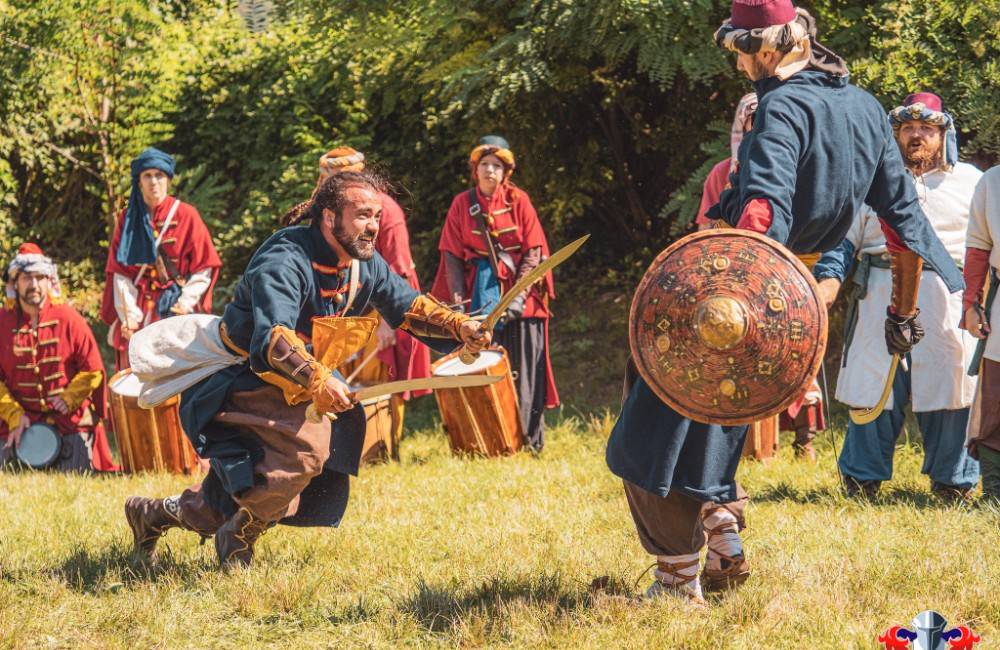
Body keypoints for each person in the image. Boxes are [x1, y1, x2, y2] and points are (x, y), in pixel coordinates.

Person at [608, 0, 962, 605]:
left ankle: (676, 580)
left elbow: (764, 207)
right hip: (788, 306)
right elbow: (904, 221)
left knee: (658, 415)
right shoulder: (867, 108)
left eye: (741, 51)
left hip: (743, 292)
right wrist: (902, 312)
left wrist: (733, 299)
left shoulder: (781, 105)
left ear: (766, 48)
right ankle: (722, 537)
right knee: (719, 419)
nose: (741, 66)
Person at [124, 170, 490, 568]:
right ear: (330, 218)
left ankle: (155, 513)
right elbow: (274, 338)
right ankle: (239, 536)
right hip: (239, 374)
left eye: (376, 216)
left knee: (245, 485)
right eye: (362, 216)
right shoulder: (284, 258)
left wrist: (461, 327)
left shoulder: (361, 263)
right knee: (308, 451)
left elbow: (408, 305)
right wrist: (318, 380)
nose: (372, 227)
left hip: (292, 374)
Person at [814, 92, 981, 501]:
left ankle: (952, 482)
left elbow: (986, 245)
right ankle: (861, 479)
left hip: (947, 298)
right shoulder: (871, 178)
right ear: (895, 135)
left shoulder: (972, 182)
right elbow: (841, 243)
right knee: (874, 388)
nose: (917, 136)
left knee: (951, 386)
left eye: (926, 128)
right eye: (908, 129)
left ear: (944, 134)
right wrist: (825, 286)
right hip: (877, 295)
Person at [697, 92, 825, 459]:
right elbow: (709, 229)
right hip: (733, 278)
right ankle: (741, 448)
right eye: (754, 122)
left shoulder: (801, 170)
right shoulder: (723, 173)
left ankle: (805, 439)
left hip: (785, 272)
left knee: (795, 353)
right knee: (738, 359)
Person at [431, 135, 559, 451]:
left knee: (525, 370)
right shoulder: (462, 204)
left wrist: (516, 299)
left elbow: (533, 252)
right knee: (484, 365)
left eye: (497, 166)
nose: (490, 170)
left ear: (506, 172)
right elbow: (452, 257)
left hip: (523, 299)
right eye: (485, 165)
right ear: (475, 170)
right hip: (479, 298)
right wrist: (460, 307)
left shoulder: (520, 200)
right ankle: (491, 441)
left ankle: (529, 441)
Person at [294, 148, 433, 420]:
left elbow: (398, 268)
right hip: (341, 305)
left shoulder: (385, 210)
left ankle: (384, 446)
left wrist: (386, 323)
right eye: (329, 179)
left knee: (380, 379)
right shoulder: (326, 210)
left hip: (378, 306)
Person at [101, 148, 222, 370]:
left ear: (168, 179)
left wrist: (185, 304)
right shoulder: (127, 219)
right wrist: (129, 316)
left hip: (175, 304)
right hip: (137, 305)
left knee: (179, 375)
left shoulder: (187, 215)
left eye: (159, 175)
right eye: (147, 176)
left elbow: (204, 266)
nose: (153, 182)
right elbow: (120, 272)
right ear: (139, 181)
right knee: (133, 376)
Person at [0, 244, 117, 472]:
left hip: (67, 420)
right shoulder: (2, 322)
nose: (33, 285)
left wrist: (70, 397)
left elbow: (92, 369)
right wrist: (13, 414)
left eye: (39, 277)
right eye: (26, 278)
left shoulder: (68, 318)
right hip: (18, 420)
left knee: (76, 468)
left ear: (48, 281)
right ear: (15, 283)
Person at [963, 164, 1000, 502]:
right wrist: (971, 304)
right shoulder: (992, 182)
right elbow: (978, 248)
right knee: (995, 405)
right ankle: (995, 495)